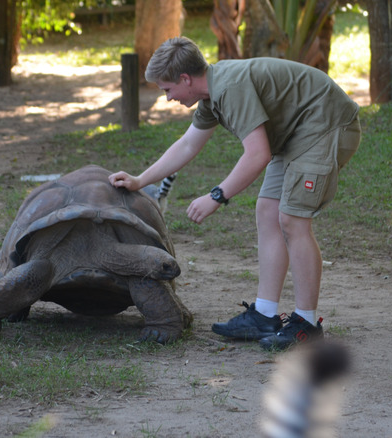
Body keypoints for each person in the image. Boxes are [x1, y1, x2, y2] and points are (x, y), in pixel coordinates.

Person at [109, 37, 361, 351]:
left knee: (292, 219)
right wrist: (139, 180)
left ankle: (306, 324)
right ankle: (265, 315)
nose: (168, 98)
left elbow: (257, 154)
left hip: (327, 126)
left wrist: (216, 196)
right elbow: (188, 144)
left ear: (185, 79)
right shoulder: (211, 96)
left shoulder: (229, 88)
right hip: (298, 134)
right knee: (268, 212)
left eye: (167, 89)